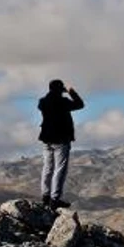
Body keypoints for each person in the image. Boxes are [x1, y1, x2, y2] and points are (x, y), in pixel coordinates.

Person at [38, 78, 85, 209]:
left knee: (47, 168)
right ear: (61, 89)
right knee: (60, 169)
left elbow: (43, 106)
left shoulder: (43, 102)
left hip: (46, 139)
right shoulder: (63, 102)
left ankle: (45, 196)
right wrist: (71, 92)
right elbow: (80, 104)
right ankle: (55, 198)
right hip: (61, 139)